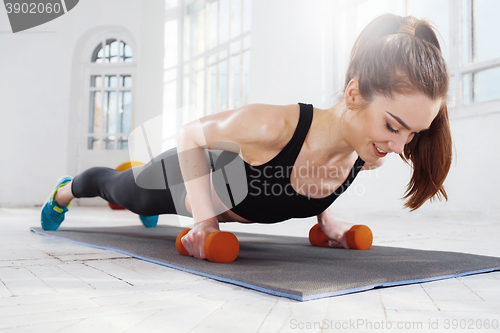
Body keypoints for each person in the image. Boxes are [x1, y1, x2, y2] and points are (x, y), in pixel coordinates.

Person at [41, 14, 452, 260]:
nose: (399, 147)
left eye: (412, 134)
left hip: (232, 203)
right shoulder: (271, 127)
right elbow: (190, 135)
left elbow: (321, 177)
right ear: (354, 94)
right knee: (123, 190)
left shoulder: (371, 150)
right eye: (394, 126)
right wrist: (203, 222)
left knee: (135, 195)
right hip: (185, 176)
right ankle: (66, 190)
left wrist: (327, 223)